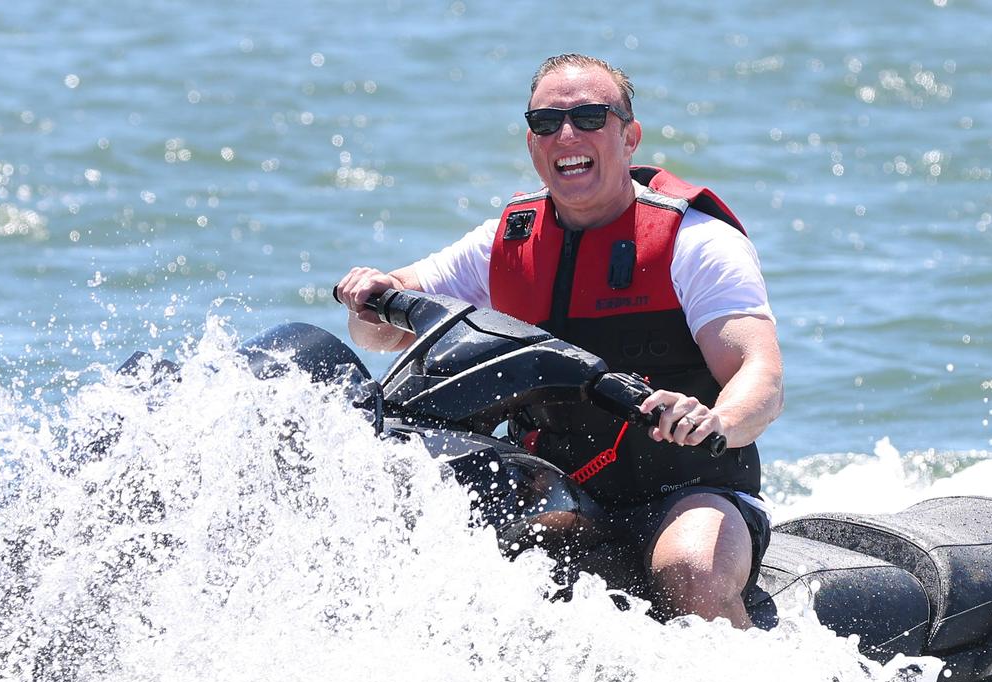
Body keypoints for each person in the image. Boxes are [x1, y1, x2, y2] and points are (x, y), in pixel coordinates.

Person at [335, 54, 783, 629]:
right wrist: (372, 293)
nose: (567, 134)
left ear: (629, 137)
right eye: (547, 123)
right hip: (559, 494)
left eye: (591, 117)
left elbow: (761, 377)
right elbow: (377, 332)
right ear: (532, 145)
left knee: (690, 572)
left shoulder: (696, 243)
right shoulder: (502, 245)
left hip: (690, 489)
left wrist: (716, 422)